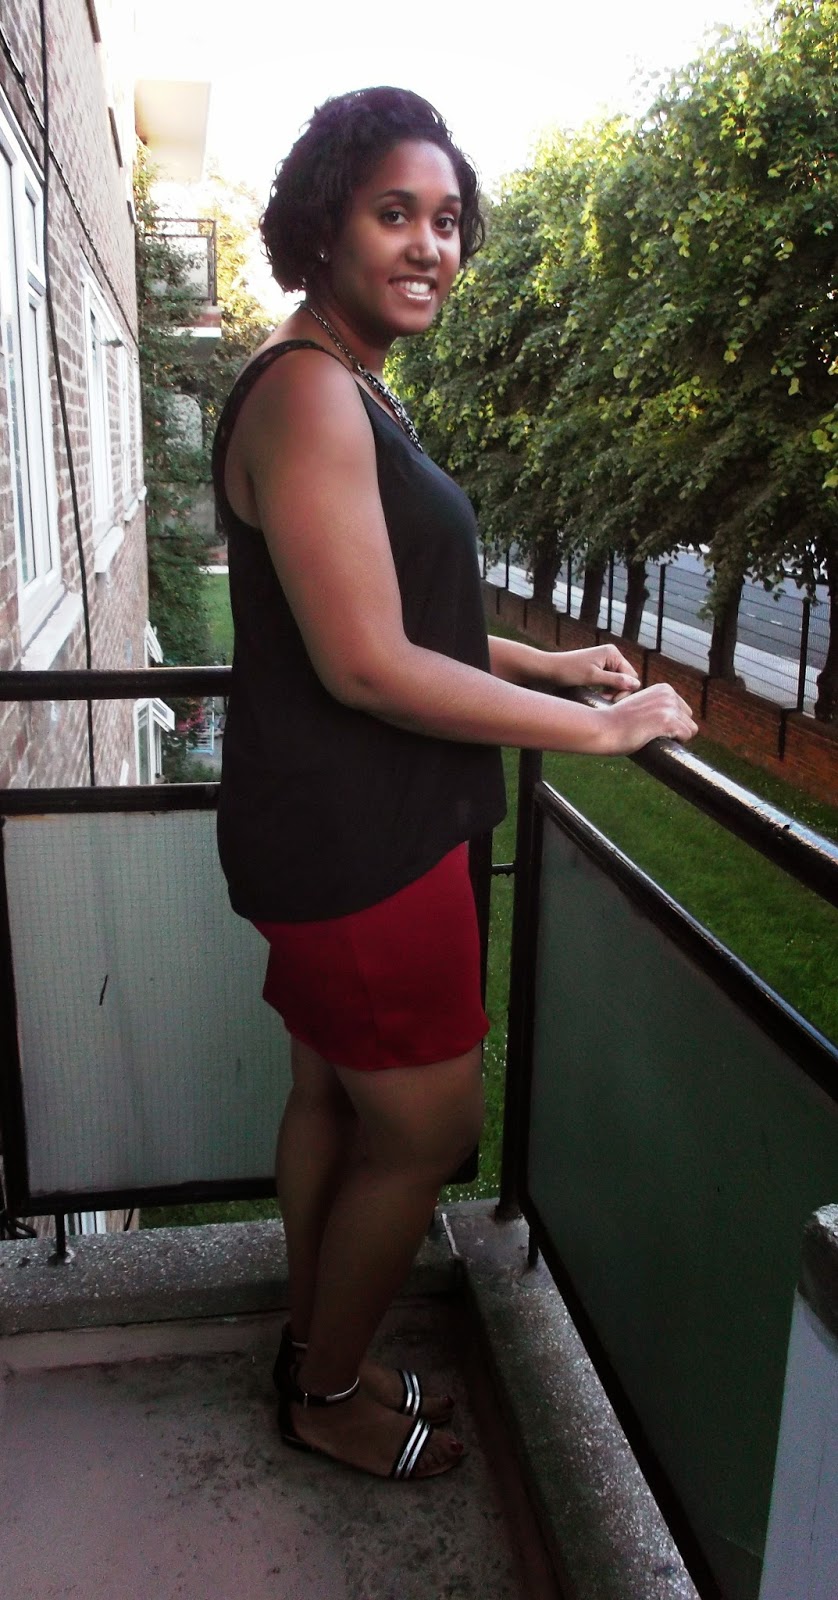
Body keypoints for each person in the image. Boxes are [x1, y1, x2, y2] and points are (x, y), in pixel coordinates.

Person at [211, 86, 697, 1484]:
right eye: (395, 213)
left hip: (334, 829)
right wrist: (600, 733)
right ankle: (326, 1395)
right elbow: (368, 664)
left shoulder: (337, 377)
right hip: (361, 842)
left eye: (447, 219)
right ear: (326, 226)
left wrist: (546, 667)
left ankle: (314, 1340)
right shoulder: (311, 391)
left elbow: (393, 616)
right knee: (428, 1132)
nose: (432, 244)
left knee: (332, 1101)